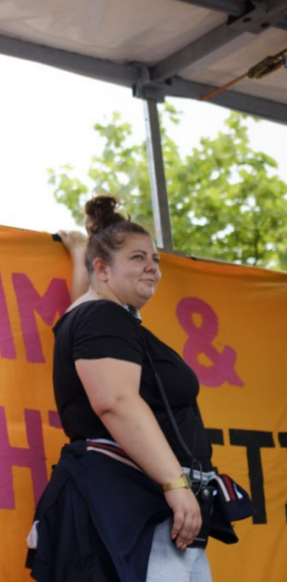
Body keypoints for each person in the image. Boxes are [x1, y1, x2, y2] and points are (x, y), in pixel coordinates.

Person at [26, 195, 251, 581]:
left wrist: (81, 250)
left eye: (155, 259)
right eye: (138, 258)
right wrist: (175, 484)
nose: (153, 267)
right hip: (143, 505)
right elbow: (116, 402)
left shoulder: (98, 313)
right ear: (103, 268)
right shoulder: (102, 317)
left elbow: (86, 299)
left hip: (156, 508)